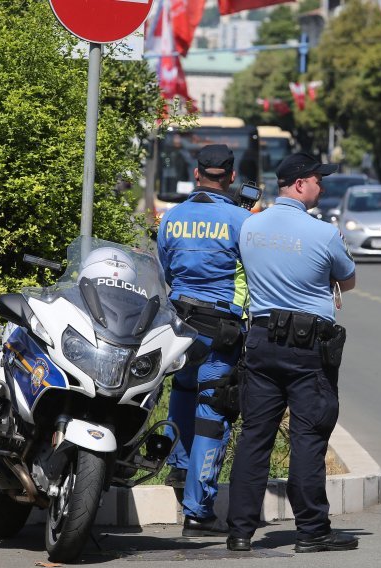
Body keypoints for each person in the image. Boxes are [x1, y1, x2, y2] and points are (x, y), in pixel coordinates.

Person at [226, 152, 358, 553]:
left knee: (254, 438)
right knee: (308, 436)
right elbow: (348, 280)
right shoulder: (323, 233)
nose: (322, 186)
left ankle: (240, 532)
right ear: (300, 183)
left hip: (262, 341)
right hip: (307, 349)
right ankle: (312, 531)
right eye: (319, 179)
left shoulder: (250, 227)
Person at [156, 144, 251, 537]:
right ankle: (198, 511)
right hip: (220, 329)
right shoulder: (240, 220)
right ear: (229, 177)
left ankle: (178, 469)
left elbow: (163, 269)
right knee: (213, 410)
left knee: (181, 390)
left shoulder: (171, 218)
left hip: (179, 326)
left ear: (197, 175)